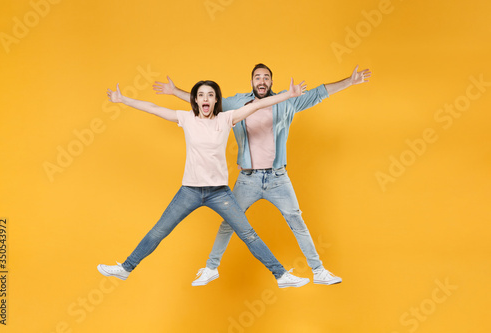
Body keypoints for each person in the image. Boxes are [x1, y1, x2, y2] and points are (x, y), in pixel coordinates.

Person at [153, 64, 371, 286]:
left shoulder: (287, 101)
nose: (262, 81)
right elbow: (206, 102)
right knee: (228, 223)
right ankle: (211, 267)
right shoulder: (236, 104)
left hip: (278, 178)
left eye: (266, 77)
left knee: (297, 221)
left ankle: (318, 271)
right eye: (258, 77)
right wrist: (175, 91)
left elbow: (318, 93)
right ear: (251, 82)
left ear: (271, 82)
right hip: (248, 179)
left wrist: (349, 81)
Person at [97, 78, 311, 288]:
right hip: (189, 191)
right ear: (196, 100)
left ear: (216, 100)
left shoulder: (226, 118)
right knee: (159, 231)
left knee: (248, 234)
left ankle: (281, 275)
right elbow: (153, 108)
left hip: (219, 193)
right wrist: (123, 99)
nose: (205, 98)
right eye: (201, 95)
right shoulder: (186, 118)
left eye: (210, 95)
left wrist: (289, 95)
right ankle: (126, 268)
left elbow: (260, 104)